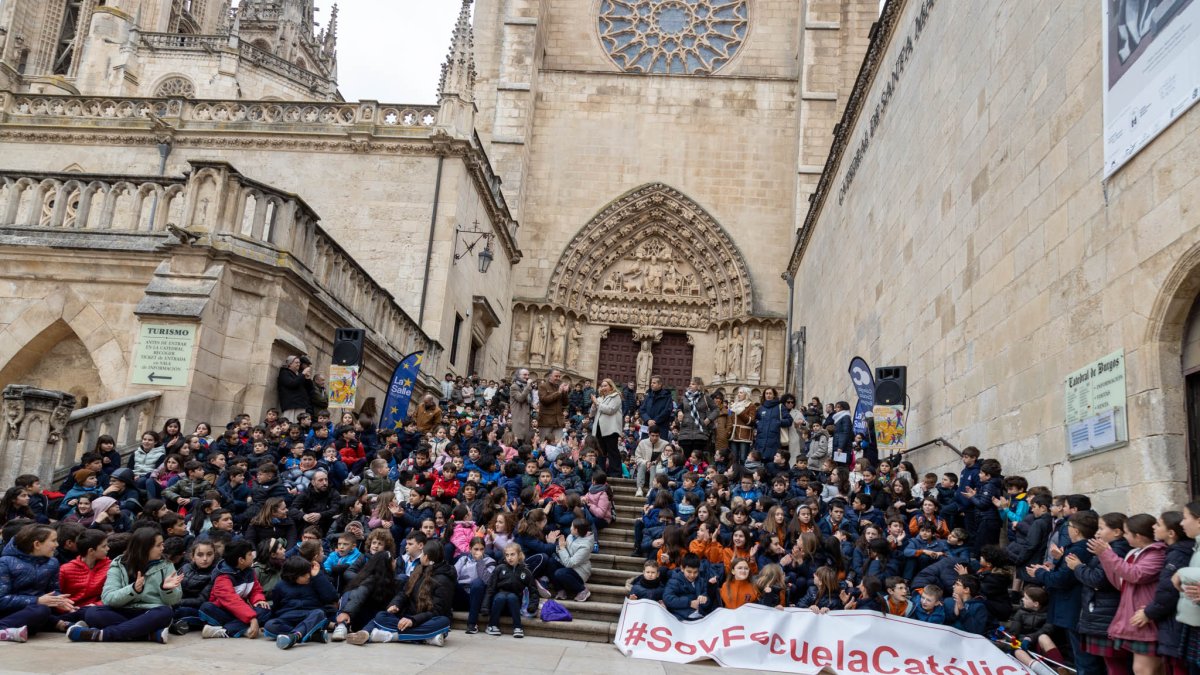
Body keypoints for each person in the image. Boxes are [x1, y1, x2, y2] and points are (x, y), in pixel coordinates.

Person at [70, 527, 183, 643]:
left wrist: (166, 589)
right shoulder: (118, 564)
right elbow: (108, 598)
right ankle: (147, 635)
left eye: (162, 544)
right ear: (145, 547)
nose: (162, 548)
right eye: (158, 545)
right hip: (123, 610)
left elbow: (174, 600)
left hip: (150, 612)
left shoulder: (166, 565)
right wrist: (133, 590)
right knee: (92, 613)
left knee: (165, 612)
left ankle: (101, 635)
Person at [347, 540, 453, 646]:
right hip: (407, 618)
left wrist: (413, 620)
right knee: (381, 616)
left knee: (443, 622)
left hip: (425, 620)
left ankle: (391, 636)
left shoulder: (443, 579)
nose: (420, 557)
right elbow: (404, 593)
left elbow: (437, 611)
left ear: (426, 557)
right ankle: (425, 638)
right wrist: (395, 604)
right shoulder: (419, 569)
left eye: (422, 554)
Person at [0, 524, 78, 641]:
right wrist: (37, 600)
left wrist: (59, 600)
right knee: (41, 610)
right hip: (8, 611)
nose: (57, 545)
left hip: (32, 611)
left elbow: (53, 590)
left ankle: (11, 631)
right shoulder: (5, 562)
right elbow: (1, 599)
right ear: (37, 544)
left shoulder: (52, 563)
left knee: (79, 612)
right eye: (53, 541)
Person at [199, 539, 270, 639]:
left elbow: (255, 590)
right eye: (250, 554)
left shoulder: (249, 571)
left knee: (264, 609)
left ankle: (224, 631)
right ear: (241, 560)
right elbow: (232, 601)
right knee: (206, 608)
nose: (253, 556)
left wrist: (259, 600)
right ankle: (242, 628)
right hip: (224, 610)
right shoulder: (222, 577)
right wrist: (252, 618)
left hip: (242, 611)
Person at [267, 555, 338, 650]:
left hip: (310, 615)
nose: (308, 576)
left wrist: (318, 576)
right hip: (289, 617)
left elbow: (332, 597)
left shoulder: (315, 580)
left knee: (319, 613)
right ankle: (311, 635)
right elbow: (276, 606)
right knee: (270, 625)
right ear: (293, 575)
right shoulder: (280, 586)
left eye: (308, 572)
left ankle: (294, 636)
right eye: (304, 574)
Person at [482, 542, 539, 638]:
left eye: (512, 554)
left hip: (514, 606)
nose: (509, 557)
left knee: (511, 597)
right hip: (498, 604)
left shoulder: (525, 572)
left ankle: (518, 627)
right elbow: (490, 588)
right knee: (501, 596)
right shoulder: (499, 568)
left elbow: (533, 591)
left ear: (519, 555)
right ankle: (492, 625)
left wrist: (532, 606)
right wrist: (485, 606)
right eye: (507, 555)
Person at [676, 377, 717, 459]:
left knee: (697, 458)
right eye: (690, 383)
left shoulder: (705, 397)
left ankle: (698, 471)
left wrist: (709, 419)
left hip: (700, 432)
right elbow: (679, 408)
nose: (690, 385)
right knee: (687, 458)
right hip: (685, 432)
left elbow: (716, 409)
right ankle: (687, 471)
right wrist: (679, 412)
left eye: (693, 384)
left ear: (699, 386)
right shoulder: (685, 397)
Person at [591, 378, 624, 475]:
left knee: (612, 451)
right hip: (599, 429)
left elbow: (611, 410)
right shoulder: (600, 398)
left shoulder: (616, 396)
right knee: (601, 452)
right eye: (602, 386)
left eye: (605, 385)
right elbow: (592, 414)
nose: (603, 387)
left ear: (611, 386)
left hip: (610, 429)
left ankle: (616, 473)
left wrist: (597, 403)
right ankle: (600, 472)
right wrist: (594, 404)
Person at [752, 388, 789, 463]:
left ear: (774, 395)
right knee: (760, 463)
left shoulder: (780, 407)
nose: (768, 395)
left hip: (774, 440)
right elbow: (755, 421)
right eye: (766, 393)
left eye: (770, 393)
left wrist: (778, 422)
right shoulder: (760, 408)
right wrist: (758, 424)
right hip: (760, 441)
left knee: (772, 463)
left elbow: (789, 420)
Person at [277, 355, 314, 421]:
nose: (298, 364)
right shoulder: (284, 373)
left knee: (298, 426)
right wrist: (302, 374)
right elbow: (292, 384)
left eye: (299, 363)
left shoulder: (299, 375)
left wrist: (308, 379)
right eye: (296, 362)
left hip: (301, 404)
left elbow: (310, 389)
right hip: (291, 405)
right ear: (290, 364)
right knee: (288, 423)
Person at [639, 376, 674, 441]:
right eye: (651, 383)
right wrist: (648, 420)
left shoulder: (667, 396)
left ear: (660, 384)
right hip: (647, 426)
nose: (651, 384)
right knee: (645, 447)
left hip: (661, 427)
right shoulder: (648, 395)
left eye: (654, 383)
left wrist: (655, 421)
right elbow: (642, 409)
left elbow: (667, 411)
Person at [537, 369, 568, 442]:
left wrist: (564, 393)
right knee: (544, 444)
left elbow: (565, 403)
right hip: (546, 421)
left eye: (559, 376)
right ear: (550, 376)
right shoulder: (543, 386)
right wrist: (558, 392)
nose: (558, 378)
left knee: (558, 445)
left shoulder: (559, 387)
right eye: (556, 376)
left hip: (558, 421)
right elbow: (544, 400)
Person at [728, 387, 756, 466]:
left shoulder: (751, 406)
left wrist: (740, 412)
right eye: (738, 392)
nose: (738, 394)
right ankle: (735, 475)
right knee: (734, 458)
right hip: (733, 434)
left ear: (746, 394)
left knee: (743, 458)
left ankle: (744, 476)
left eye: (741, 393)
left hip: (744, 435)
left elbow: (751, 421)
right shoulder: (734, 405)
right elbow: (729, 418)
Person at [509, 369, 533, 445]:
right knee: (518, 441)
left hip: (526, 419)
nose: (527, 377)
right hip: (519, 418)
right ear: (518, 376)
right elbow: (520, 398)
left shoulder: (526, 386)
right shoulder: (514, 386)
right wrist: (528, 386)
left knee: (525, 442)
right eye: (525, 375)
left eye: (528, 375)